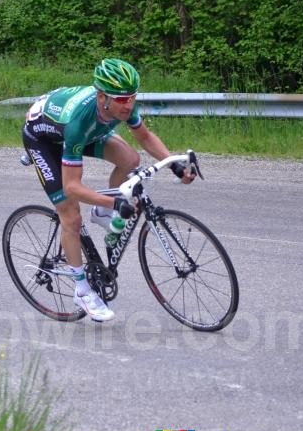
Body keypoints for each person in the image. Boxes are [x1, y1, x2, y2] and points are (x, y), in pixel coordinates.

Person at [22, 58, 196, 322]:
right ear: (102, 97)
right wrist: (115, 203)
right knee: (70, 214)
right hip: (43, 139)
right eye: (122, 99)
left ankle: (101, 213)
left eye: (133, 97)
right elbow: (72, 187)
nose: (129, 105)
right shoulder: (79, 123)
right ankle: (82, 290)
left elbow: (145, 137)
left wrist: (175, 165)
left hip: (82, 131)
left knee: (131, 160)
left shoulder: (121, 106)